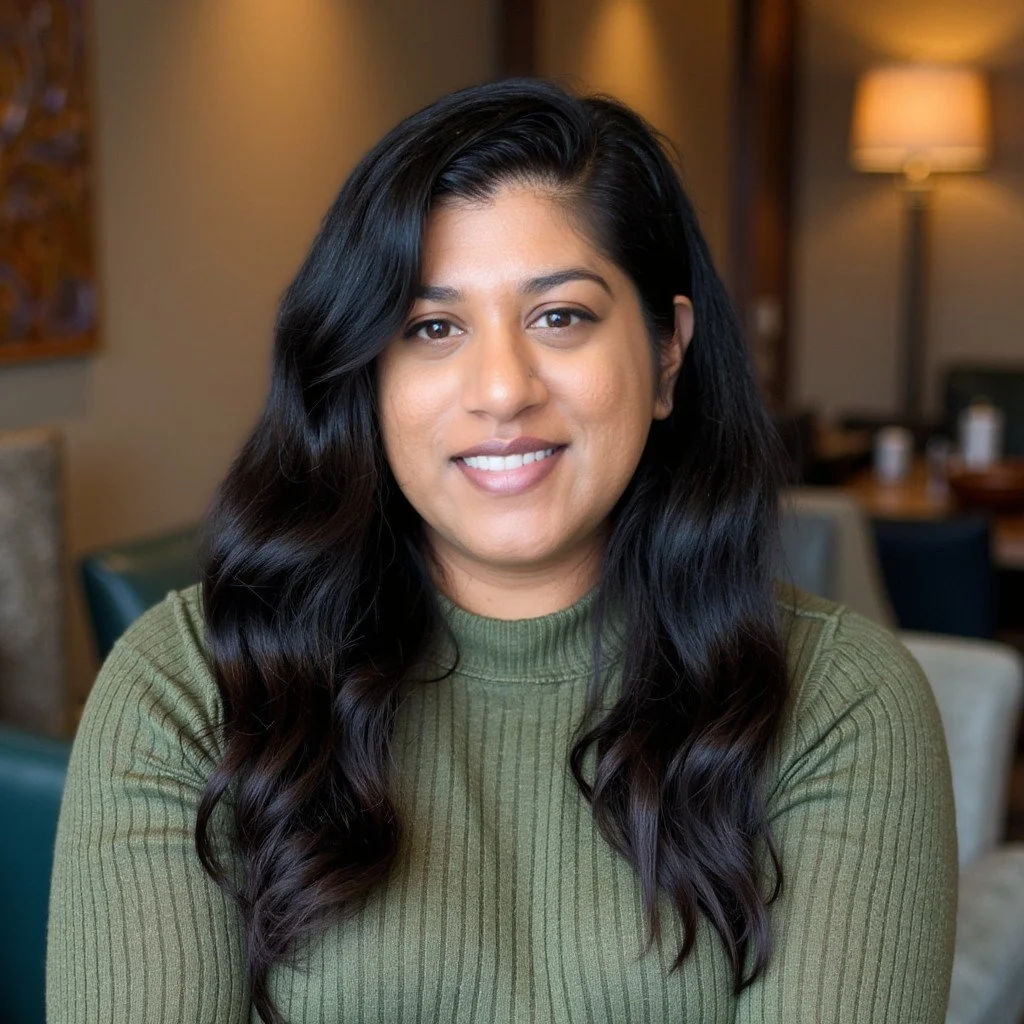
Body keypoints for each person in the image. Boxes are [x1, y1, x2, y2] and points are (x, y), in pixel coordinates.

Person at [47, 79, 956, 1024]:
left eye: (559, 316)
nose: (501, 390)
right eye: (432, 328)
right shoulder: (187, 690)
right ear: (366, 376)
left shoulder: (839, 702)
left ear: (668, 354)